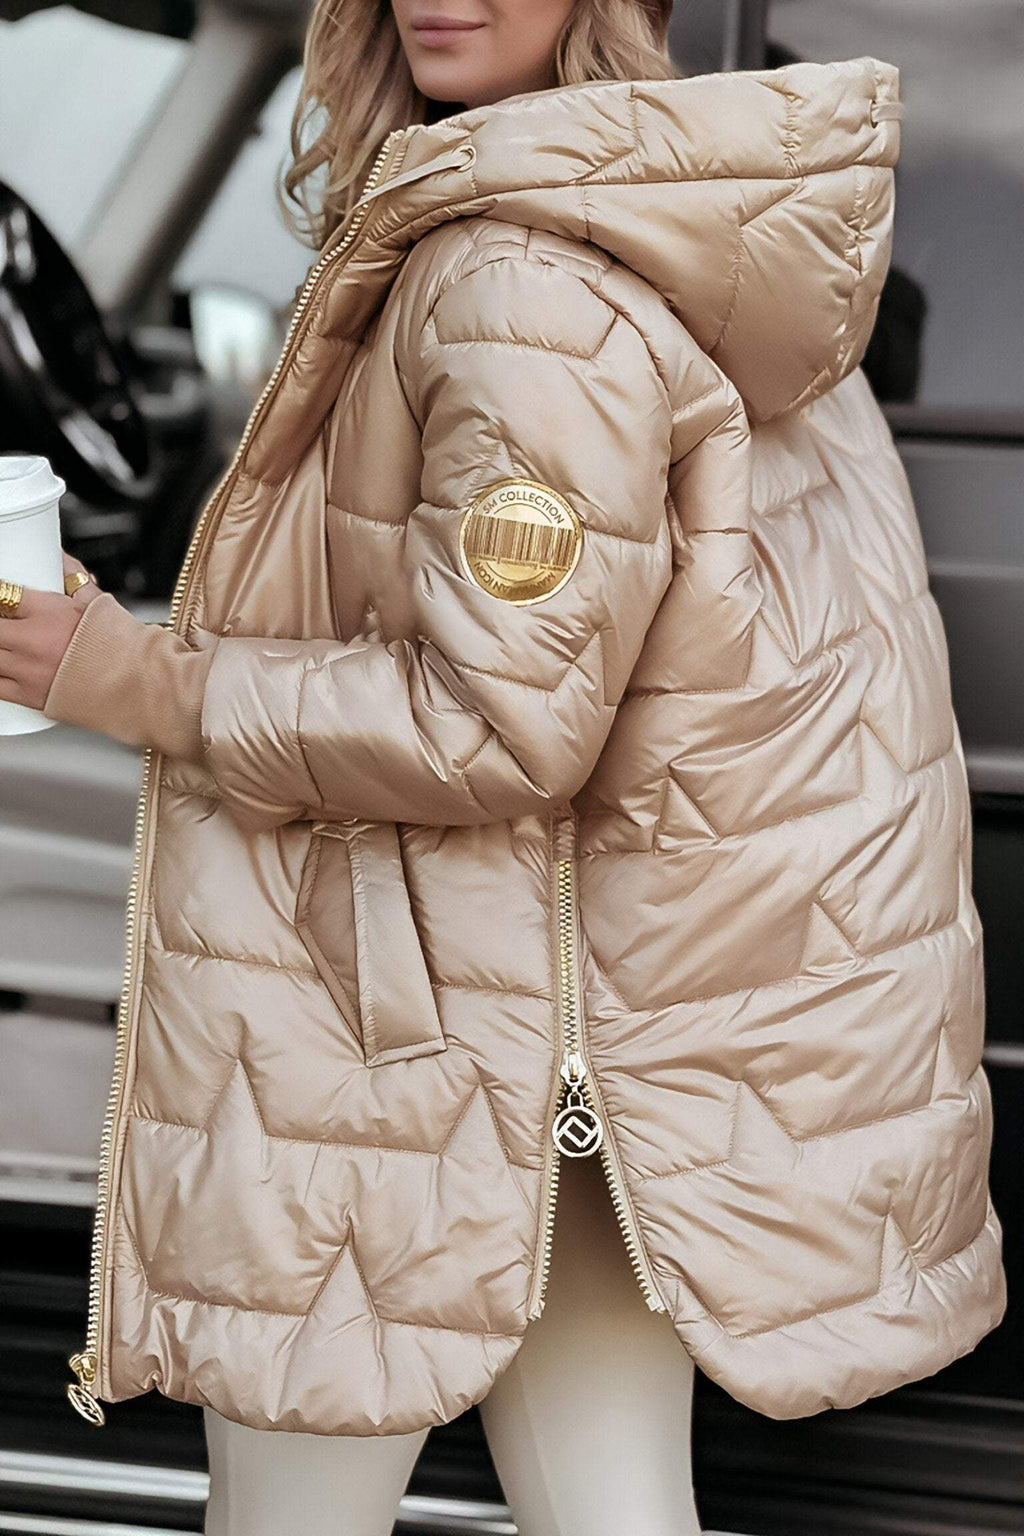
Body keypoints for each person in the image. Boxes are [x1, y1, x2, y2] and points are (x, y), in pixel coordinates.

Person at [0, 3, 1005, 1535]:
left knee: (291, 1515)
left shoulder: (517, 278)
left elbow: (495, 722)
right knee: (609, 1503)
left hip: (436, 1036)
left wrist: (123, 676)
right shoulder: (689, 229)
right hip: (589, 1023)